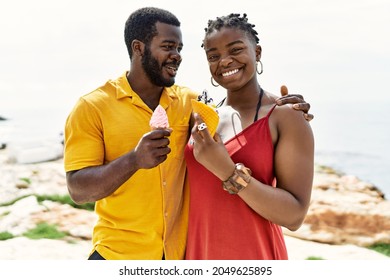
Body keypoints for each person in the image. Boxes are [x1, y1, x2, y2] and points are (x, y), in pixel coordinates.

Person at [64, 7, 312, 260]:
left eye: (179, 49)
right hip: (120, 255)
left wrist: (290, 112)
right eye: (168, 47)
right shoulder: (93, 106)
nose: (176, 56)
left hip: (204, 256)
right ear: (138, 48)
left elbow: (293, 214)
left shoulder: (191, 105)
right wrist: (134, 160)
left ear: (256, 52)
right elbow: (78, 190)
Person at [184, 13, 315, 260]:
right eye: (214, 56)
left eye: (236, 50)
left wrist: (229, 172)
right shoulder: (201, 117)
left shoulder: (285, 116)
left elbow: (295, 216)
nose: (224, 61)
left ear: (258, 52)